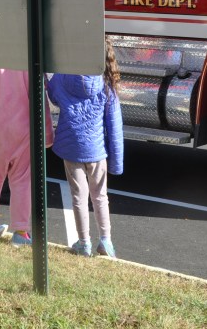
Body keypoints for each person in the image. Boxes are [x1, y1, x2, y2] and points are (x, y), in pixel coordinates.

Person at [47, 39, 124, 258]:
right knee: (100, 196)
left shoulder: (63, 78)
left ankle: (84, 243)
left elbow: (52, 95)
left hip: (71, 148)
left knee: (78, 197)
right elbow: (115, 127)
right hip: (97, 150)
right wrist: (116, 163)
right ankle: (106, 242)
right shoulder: (106, 85)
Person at [0, 62, 53, 247]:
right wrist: (47, 134)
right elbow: (40, 100)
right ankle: (20, 232)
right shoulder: (30, 59)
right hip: (25, 132)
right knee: (22, 181)